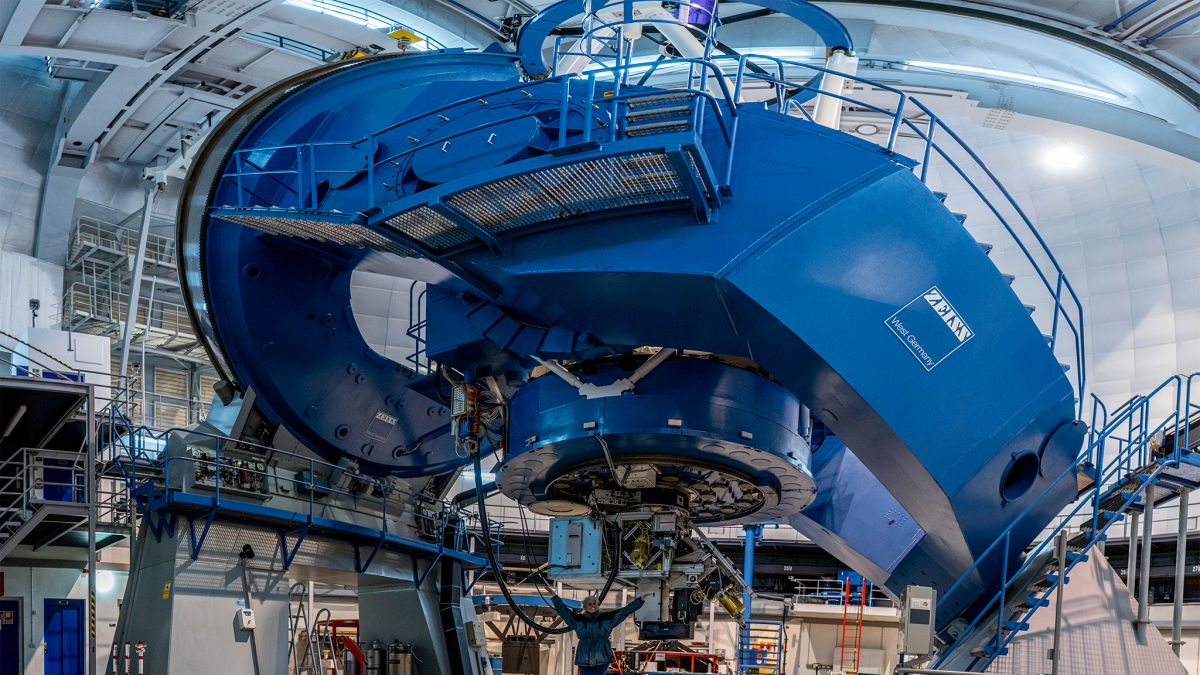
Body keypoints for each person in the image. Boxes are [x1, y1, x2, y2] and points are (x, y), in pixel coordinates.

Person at [551, 592, 650, 675]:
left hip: (601, 659)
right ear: (585, 607)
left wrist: (639, 601)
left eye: (594, 603)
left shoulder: (607, 618)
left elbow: (624, 611)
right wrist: (555, 597)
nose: (592, 605)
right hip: (584, 661)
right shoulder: (578, 620)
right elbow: (564, 612)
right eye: (589, 604)